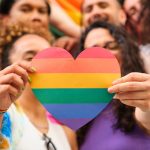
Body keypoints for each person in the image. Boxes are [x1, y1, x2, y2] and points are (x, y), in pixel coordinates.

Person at [0, 25, 77, 150]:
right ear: (6, 66)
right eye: (30, 57)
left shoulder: (67, 132)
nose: (43, 63)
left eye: (49, 58)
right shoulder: (5, 113)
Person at [78, 21, 150, 150]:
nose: (104, 56)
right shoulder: (79, 113)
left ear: (126, 52)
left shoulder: (142, 94)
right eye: (93, 52)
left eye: (111, 46)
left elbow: (145, 115)